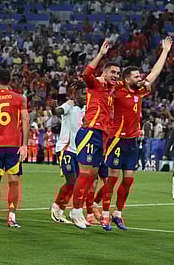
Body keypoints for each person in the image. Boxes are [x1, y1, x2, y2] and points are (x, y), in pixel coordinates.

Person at [101, 37, 172, 231]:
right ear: (127, 79)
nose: (140, 78)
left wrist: (165, 51)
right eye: (136, 76)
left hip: (132, 142)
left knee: (129, 179)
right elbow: (103, 81)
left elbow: (154, 74)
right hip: (116, 139)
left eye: (140, 76)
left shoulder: (139, 91)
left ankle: (118, 213)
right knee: (112, 178)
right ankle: (105, 215)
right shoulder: (117, 90)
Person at [69, 40, 119, 229]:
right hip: (90, 130)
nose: (115, 76)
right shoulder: (96, 84)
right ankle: (75, 211)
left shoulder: (112, 89)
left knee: (92, 176)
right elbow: (86, 74)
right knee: (84, 173)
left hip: (103, 135)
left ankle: (81, 209)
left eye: (117, 73)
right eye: (112, 72)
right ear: (104, 72)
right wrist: (100, 54)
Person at [0, 68, 29, 228]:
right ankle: (12, 216)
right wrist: (24, 145)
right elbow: (26, 121)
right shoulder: (19, 99)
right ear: (9, 80)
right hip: (14, 145)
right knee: (14, 181)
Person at [50, 82, 86, 224]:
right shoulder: (69, 106)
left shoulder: (88, 109)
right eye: (83, 93)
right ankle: (58, 207)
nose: (86, 96)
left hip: (79, 151)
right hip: (66, 149)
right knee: (73, 181)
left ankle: (59, 208)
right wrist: (53, 106)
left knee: (75, 183)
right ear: (75, 94)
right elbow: (57, 112)